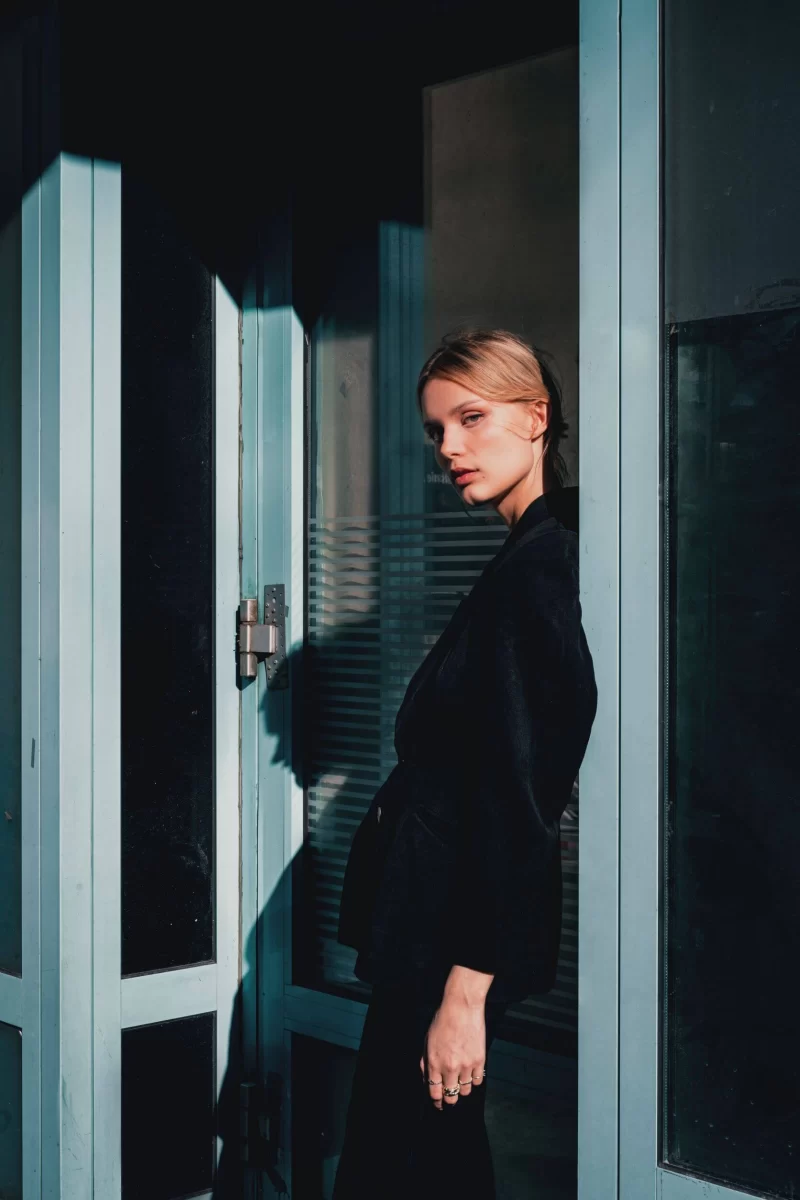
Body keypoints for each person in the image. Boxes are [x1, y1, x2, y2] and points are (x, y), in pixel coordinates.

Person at [333, 329, 598, 1199]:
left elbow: (523, 799)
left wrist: (465, 993)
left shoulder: (541, 572)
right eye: (436, 430)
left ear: (537, 417)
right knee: (427, 1164)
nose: (448, 447)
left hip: (448, 946)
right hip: (430, 932)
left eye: (471, 419)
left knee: (399, 1166)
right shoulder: (526, 557)